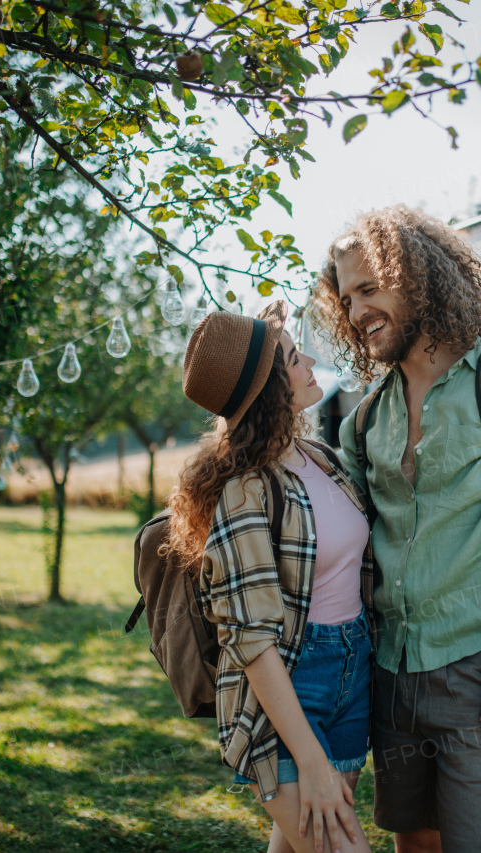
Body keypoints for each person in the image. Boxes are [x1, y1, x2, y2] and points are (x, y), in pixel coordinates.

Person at [310, 206, 481, 853]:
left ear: (417, 277)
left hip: (480, 672)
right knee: (414, 845)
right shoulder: (362, 419)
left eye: (369, 289)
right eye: (345, 299)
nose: (355, 312)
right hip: (390, 671)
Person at [166, 300, 376, 853]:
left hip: (351, 679)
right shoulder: (244, 491)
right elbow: (253, 641)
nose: (308, 360)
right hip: (284, 692)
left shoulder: (319, 458)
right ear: (265, 392)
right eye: (290, 358)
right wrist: (309, 759)